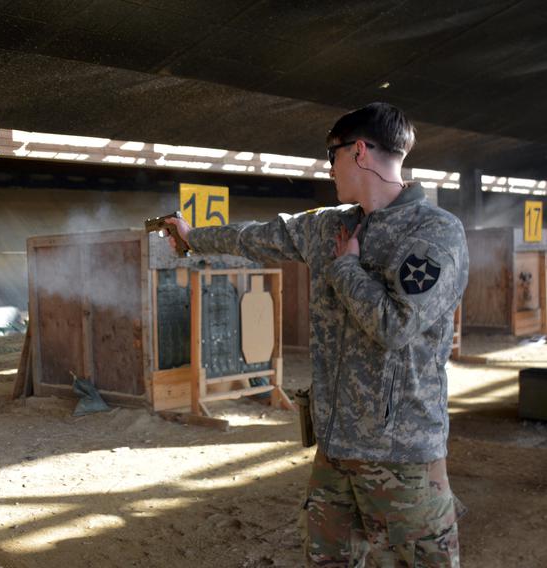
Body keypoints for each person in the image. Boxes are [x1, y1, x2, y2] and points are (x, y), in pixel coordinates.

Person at [166, 102, 468, 567]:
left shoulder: (434, 233)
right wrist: (195, 237)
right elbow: (261, 236)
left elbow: (395, 325)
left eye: (332, 156)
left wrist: (346, 268)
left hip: (401, 458)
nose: (329, 170)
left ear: (360, 151)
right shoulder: (333, 224)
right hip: (335, 449)